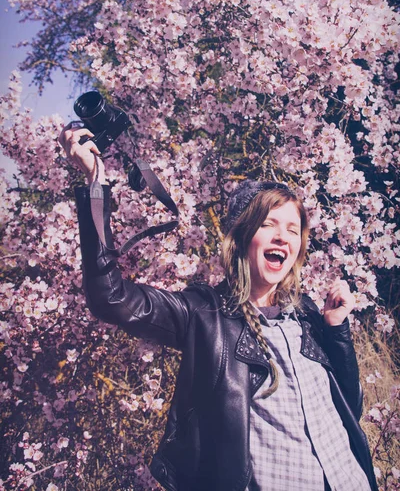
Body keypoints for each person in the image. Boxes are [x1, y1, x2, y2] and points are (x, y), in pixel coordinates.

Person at [59, 125, 378, 491]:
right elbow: (110, 298)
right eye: (268, 224)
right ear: (242, 237)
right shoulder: (206, 316)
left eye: (293, 229)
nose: (282, 237)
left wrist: (337, 330)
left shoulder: (306, 313)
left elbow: (348, 411)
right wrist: (95, 183)